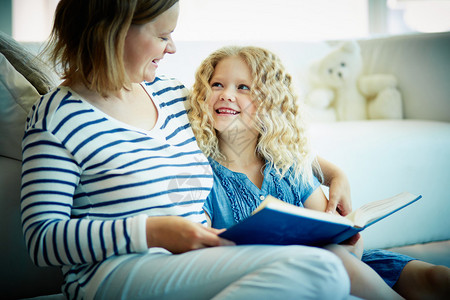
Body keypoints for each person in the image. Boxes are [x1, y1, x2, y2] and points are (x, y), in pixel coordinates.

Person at [20, 1, 354, 299]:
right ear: (115, 33)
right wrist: (153, 232)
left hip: (200, 255)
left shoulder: (172, 97)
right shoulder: (58, 116)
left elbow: (250, 130)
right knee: (321, 271)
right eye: (163, 36)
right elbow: (41, 238)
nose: (172, 48)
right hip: (116, 270)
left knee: (328, 272)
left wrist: (331, 172)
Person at [188, 45, 450, 300]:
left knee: (436, 278)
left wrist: (351, 245)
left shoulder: (288, 166)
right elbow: (205, 258)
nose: (226, 94)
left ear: (270, 101)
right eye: (217, 85)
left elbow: (338, 234)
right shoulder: (202, 175)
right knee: (333, 260)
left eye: (242, 87)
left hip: (343, 265)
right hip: (283, 276)